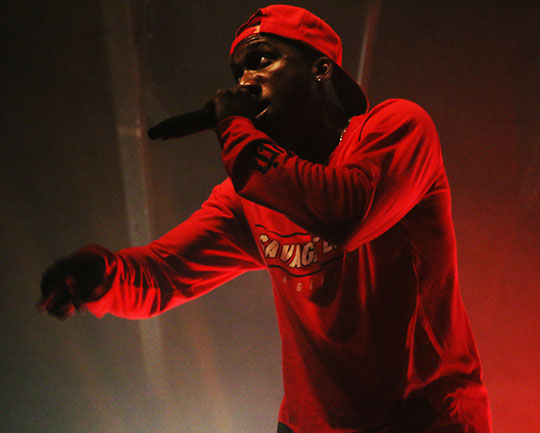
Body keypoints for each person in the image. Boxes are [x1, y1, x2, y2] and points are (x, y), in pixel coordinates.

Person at [38, 5, 491, 433]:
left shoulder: (396, 127)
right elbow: (165, 273)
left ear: (321, 69)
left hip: (423, 418)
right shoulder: (250, 195)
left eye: (261, 60)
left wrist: (235, 128)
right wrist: (102, 275)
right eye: (239, 72)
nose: (246, 81)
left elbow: (346, 215)